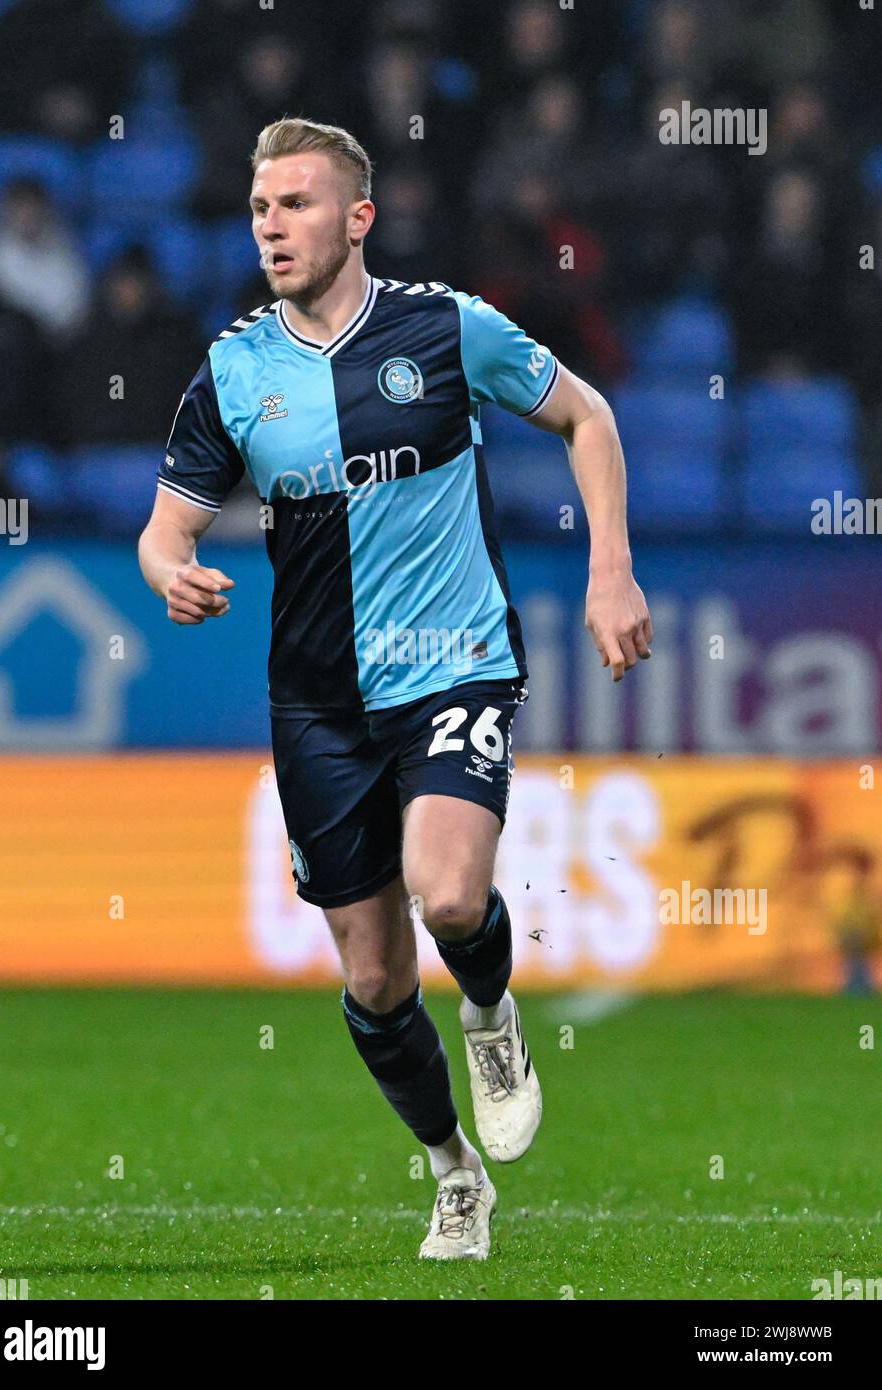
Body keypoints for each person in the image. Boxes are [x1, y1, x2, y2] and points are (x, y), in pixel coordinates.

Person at [138, 118, 652, 1261]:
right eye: (261, 206)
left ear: (356, 218)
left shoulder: (444, 325)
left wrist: (608, 570)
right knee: (372, 978)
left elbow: (588, 415)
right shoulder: (234, 371)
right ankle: (452, 1171)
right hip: (318, 703)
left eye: (298, 204)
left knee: (452, 897)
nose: (272, 225)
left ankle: (490, 1013)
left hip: (453, 660)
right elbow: (161, 528)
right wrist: (172, 568)